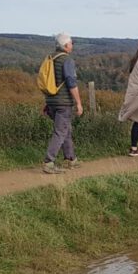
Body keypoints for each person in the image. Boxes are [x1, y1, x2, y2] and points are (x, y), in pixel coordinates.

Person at [42, 32, 84, 175]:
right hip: (63, 103)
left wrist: (48, 102)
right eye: (71, 43)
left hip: (51, 101)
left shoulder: (51, 59)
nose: (72, 45)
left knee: (66, 129)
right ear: (66, 45)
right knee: (60, 131)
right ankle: (49, 162)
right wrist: (78, 103)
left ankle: (70, 158)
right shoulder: (67, 60)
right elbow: (71, 83)